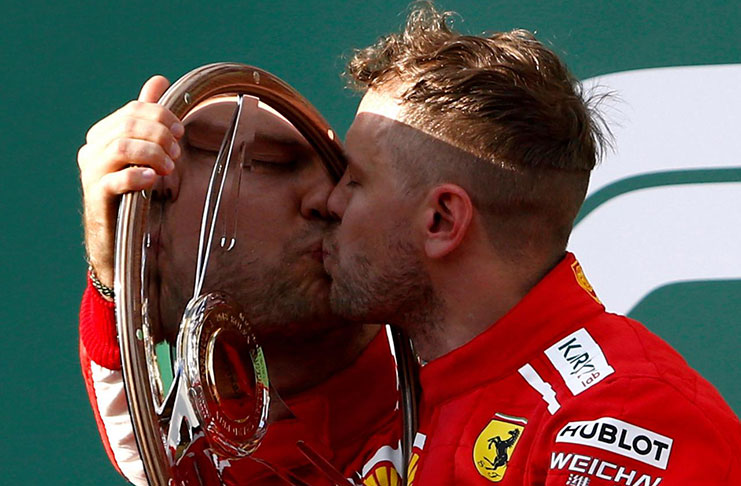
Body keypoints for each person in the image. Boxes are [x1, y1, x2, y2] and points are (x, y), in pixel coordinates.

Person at [323, 5, 741, 485]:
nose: (329, 200)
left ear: (442, 220)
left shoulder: (619, 416)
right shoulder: (409, 396)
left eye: (355, 179)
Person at [77, 76, 400, 485]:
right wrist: (118, 267)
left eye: (347, 174)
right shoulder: (192, 461)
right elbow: (128, 403)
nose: (334, 199)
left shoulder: (471, 353)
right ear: (158, 198)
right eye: (271, 161)